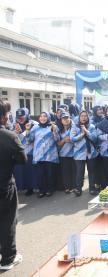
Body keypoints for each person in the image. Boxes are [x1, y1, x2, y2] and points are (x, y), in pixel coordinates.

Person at [0, 100, 27, 271]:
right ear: (3, 117)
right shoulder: (9, 136)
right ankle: (8, 258)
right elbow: (22, 159)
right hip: (4, 185)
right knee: (8, 220)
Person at [26, 112, 60, 198]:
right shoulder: (35, 127)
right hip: (38, 155)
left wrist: (54, 131)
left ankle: (50, 189)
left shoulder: (52, 126)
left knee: (50, 174)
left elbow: (57, 139)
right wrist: (27, 130)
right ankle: (42, 190)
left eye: (45, 116)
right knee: (40, 174)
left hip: (50, 155)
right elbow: (29, 140)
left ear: (48, 118)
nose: (43, 118)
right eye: (41, 116)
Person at [70, 110, 99, 196]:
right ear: (79, 117)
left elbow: (94, 138)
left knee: (91, 171)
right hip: (79, 153)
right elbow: (72, 139)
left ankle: (92, 188)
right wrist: (81, 135)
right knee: (80, 172)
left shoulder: (92, 126)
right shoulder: (75, 126)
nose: (83, 117)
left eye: (85, 116)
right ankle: (78, 189)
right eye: (82, 116)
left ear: (88, 117)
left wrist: (87, 131)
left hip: (91, 153)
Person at [12, 108, 38, 196]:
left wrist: (21, 133)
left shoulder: (34, 124)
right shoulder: (14, 125)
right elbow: (11, 137)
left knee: (29, 172)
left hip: (31, 152)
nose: (20, 119)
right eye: (19, 117)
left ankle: (30, 188)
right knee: (20, 171)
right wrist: (15, 132)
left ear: (27, 116)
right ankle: (21, 187)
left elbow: (32, 139)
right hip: (18, 153)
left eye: (22, 117)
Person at [57, 112, 76, 194]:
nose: (66, 120)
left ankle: (75, 186)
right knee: (65, 172)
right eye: (63, 118)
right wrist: (64, 140)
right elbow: (57, 143)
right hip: (63, 154)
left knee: (74, 171)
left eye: (67, 118)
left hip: (74, 154)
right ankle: (67, 187)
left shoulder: (75, 128)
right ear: (61, 120)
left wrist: (72, 139)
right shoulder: (59, 130)